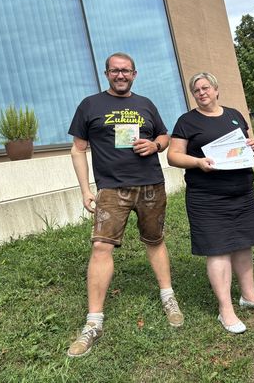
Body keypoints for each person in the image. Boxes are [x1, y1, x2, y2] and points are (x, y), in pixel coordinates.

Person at [67, 52, 183, 358]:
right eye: (115, 71)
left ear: (135, 73)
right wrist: (84, 189)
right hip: (111, 189)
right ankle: (94, 322)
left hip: (150, 186)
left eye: (126, 71)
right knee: (100, 247)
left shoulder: (145, 104)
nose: (121, 75)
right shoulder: (90, 105)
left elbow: (164, 134)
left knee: (155, 241)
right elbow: (78, 149)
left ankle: (168, 297)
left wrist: (155, 144)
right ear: (106, 73)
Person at [167, 72, 254, 334]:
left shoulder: (234, 114)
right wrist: (197, 162)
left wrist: (252, 145)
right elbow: (173, 156)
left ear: (216, 90)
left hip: (242, 192)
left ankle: (248, 295)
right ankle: (225, 309)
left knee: (243, 243)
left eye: (205, 88)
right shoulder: (187, 121)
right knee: (218, 249)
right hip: (207, 196)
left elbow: (249, 146)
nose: (201, 93)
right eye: (196, 90)